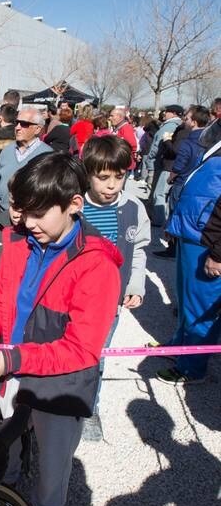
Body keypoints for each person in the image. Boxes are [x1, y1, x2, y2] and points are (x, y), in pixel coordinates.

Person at [0, 153, 121, 506]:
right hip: (8, 368)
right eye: (22, 211)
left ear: (74, 205)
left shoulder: (96, 265)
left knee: (53, 456)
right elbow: (0, 303)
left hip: (59, 384)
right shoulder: (18, 242)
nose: (26, 223)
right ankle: (7, 479)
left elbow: (82, 350)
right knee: (8, 434)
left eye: (38, 213)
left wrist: (13, 357)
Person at [81, 135, 151, 439]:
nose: (111, 185)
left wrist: (135, 284)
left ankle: (89, 409)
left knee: (97, 357)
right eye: (103, 177)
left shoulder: (134, 209)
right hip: (72, 298)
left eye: (119, 177)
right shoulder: (73, 206)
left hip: (108, 303)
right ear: (88, 174)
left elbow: (138, 250)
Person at [158, 119, 221, 384]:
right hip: (191, 233)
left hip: (207, 240)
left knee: (200, 306)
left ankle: (192, 367)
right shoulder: (213, 150)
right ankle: (179, 348)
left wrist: (218, 253)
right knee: (185, 299)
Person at [155, 105, 211, 258]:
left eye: (187, 118)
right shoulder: (210, 142)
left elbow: (179, 165)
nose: (184, 120)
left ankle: (173, 249)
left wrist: (170, 177)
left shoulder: (188, 141)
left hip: (181, 184)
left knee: (175, 216)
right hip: (200, 185)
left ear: (193, 122)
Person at [0, 106, 53, 214]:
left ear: (38, 129)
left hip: (32, 218)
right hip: (3, 214)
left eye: (24, 124)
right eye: (17, 122)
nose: (18, 127)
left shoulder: (47, 155)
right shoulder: (7, 149)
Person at [145, 104, 183, 227]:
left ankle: (158, 220)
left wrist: (150, 158)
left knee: (158, 193)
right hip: (162, 162)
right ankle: (153, 216)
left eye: (167, 111)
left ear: (174, 113)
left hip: (162, 163)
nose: (164, 113)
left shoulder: (171, 125)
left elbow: (159, 144)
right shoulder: (171, 125)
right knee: (155, 192)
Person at [109, 106, 138, 171]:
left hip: (123, 164)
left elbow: (132, 145)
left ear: (119, 117)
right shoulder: (118, 127)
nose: (109, 118)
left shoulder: (126, 128)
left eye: (112, 116)